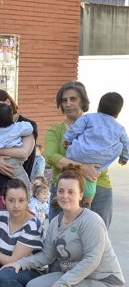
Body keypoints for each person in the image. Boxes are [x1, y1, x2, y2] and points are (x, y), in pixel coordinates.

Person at [2, 166, 124, 287]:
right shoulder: (56, 221)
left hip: (103, 282)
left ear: (81, 195)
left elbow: (92, 259)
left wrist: (62, 284)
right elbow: (47, 255)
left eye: (70, 192)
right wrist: (20, 263)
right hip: (77, 279)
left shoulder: (91, 220)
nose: (64, 195)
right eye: (60, 191)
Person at [45, 81, 113, 227]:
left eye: (73, 99)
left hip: (98, 186)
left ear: (83, 101)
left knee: (96, 237)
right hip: (63, 188)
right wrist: (83, 167)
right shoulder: (55, 131)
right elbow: (51, 156)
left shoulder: (100, 127)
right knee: (58, 237)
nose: (68, 103)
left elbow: (111, 148)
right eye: (64, 100)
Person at [62, 92, 128, 207]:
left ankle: (67, 193)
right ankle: (87, 203)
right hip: (98, 161)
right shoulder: (119, 128)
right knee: (93, 177)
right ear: (117, 113)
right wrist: (124, 157)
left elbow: (75, 129)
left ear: (98, 107)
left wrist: (67, 139)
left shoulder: (88, 117)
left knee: (72, 174)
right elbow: (127, 144)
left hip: (77, 154)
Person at [0, 103, 33, 197]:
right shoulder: (17, 128)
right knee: (21, 177)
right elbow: (29, 128)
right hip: (11, 162)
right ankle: (28, 195)